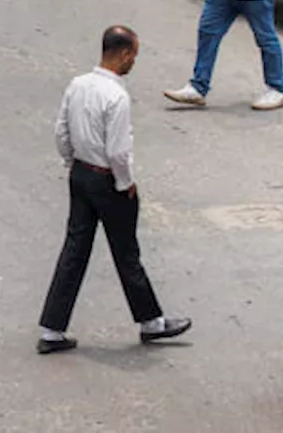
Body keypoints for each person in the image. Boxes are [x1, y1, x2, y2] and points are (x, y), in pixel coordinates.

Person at [37, 25, 193, 355]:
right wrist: (126, 183)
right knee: (126, 251)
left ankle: (52, 328)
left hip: (80, 174)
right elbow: (119, 151)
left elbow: (61, 132)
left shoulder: (77, 85)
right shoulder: (116, 97)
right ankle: (151, 322)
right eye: (133, 56)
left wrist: (72, 163)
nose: (134, 62)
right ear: (123, 54)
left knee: (74, 249)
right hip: (107, 180)